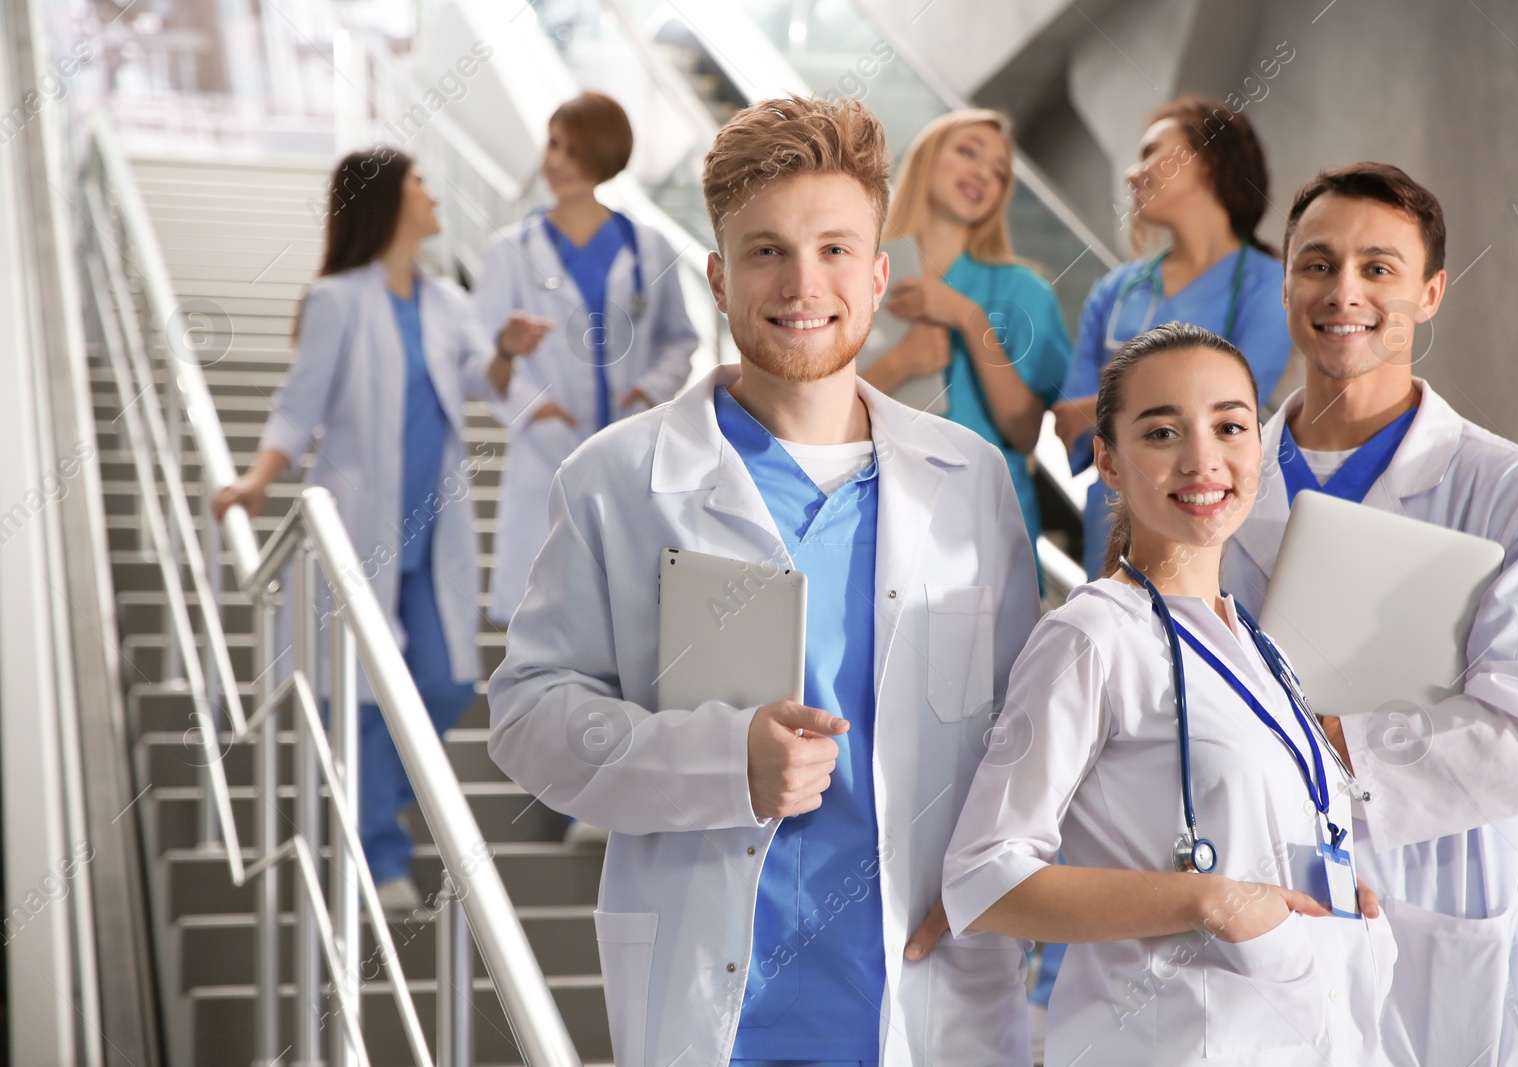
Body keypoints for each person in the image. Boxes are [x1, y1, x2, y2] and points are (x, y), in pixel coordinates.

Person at [486, 96, 1039, 1066]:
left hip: (923, 989)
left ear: (877, 275)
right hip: (719, 1008)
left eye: (833, 249)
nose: (802, 282)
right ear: (717, 275)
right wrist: (717, 761)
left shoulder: (970, 482)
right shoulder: (618, 479)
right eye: (766, 250)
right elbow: (527, 714)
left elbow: (1026, 730)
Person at [1224, 162, 1518, 1066]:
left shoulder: (1515, 493)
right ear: (1285, 283)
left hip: (1445, 900)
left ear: (1429, 294)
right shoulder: (1218, 480)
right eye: (1316, 264)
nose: (1342, 290)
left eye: (1378, 268)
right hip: (1253, 896)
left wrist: (1331, 743)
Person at [945, 322, 1396, 1066]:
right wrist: (1205, 901)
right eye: (1162, 432)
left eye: (1230, 426)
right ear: (1109, 461)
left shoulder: (1258, 644)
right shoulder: (1091, 636)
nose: (1203, 459)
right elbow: (985, 877)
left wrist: (1335, 893)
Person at [213, 148, 541, 914]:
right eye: (420, 182)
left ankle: (369, 809)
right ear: (388, 199)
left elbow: (482, 388)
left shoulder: (446, 301)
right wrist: (260, 479)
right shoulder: (337, 299)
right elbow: (299, 405)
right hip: (362, 530)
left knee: (450, 680)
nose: (432, 193)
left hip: (434, 536)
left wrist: (504, 353)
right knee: (361, 696)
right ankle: (377, 849)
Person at [476, 91, 697, 626]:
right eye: (552, 145)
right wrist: (534, 405)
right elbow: (484, 360)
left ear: (604, 156)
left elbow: (680, 339)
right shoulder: (509, 251)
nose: (555, 161)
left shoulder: (650, 248)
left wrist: (648, 389)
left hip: (632, 443)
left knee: (626, 616)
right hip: (546, 447)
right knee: (543, 616)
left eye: (573, 149)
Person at [1053, 96, 1291, 574]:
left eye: (1150, 152)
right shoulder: (1116, 290)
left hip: (1209, 517)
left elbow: (1231, 406)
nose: (1130, 173)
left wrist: (1119, 392)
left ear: (1206, 163)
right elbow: (1066, 420)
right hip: (1111, 525)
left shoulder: (1268, 285)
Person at [859, 109, 1073, 571]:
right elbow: (819, 409)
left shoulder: (1023, 292)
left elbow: (1023, 430)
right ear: (925, 158)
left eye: (999, 172)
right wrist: (900, 364)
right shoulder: (858, 271)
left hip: (982, 529)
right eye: (968, 152)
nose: (983, 173)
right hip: (874, 510)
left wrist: (968, 318)